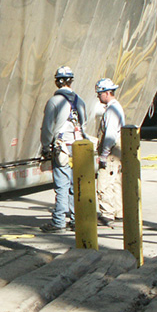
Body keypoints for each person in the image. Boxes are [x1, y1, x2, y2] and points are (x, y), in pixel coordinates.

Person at [39, 66, 90, 232]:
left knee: (61, 185)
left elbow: (47, 128)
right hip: (79, 148)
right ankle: (76, 219)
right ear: (71, 81)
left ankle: (59, 221)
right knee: (76, 185)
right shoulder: (79, 101)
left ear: (57, 81)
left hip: (62, 148)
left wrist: (46, 147)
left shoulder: (54, 102)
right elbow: (84, 123)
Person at [92, 78, 126, 227]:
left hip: (111, 153)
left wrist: (103, 156)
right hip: (117, 152)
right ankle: (118, 212)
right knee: (116, 182)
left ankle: (107, 214)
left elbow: (110, 136)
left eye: (99, 94)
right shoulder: (116, 107)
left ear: (106, 93)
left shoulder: (111, 111)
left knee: (104, 183)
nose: (98, 97)